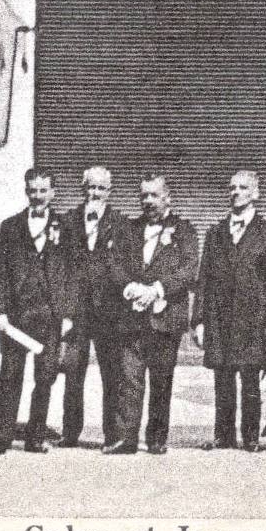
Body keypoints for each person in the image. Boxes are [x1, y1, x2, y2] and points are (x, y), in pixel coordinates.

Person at [0, 167, 80, 456]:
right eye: (33, 190)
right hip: (16, 317)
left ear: (52, 193)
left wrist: (67, 315)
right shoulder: (10, 226)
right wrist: (0, 311)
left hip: (49, 315)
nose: (38, 196)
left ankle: (35, 437)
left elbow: (73, 274)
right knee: (10, 376)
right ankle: (0, 438)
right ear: (26, 191)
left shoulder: (66, 227)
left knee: (45, 379)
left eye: (43, 190)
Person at [193, 170, 266, 452]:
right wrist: (199, 320)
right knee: (222, 378)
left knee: (250, 381)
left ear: (255, 193)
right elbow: (204, 280)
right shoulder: (215, 233)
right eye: (231, 187)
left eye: (243, 188)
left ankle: (251, 436)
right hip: (220, 317)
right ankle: (223, 435)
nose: (236, 192)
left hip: (253, 319)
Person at [105, 174, 198, 455]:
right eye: (143, 195)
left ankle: (157, 438)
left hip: (165, 318)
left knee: (161, 380)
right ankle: (125, 438)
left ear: (167, 198)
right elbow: (114, 263)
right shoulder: (127, 229)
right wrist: (129, 285)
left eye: (153, 195)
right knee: (129, 379)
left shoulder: (184, 230)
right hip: (132, 317)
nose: (147, 201)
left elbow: (188, 269)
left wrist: (157, 289)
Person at [58, 164, 132, 448]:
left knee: (111, 373)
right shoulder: (67, 222)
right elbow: (61, 267)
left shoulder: (122, 224)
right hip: (76, 311)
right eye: (91, 187)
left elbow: (126, 265)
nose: (95, 193)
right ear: (83, 188)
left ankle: (112, 433)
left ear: (109, 192)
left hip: (108, 312)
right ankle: (70, 432)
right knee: (73, 373)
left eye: (101, 188)